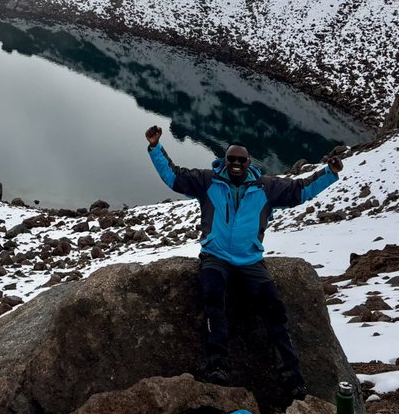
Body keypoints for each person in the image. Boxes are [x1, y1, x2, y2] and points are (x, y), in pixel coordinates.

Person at [145, 125, 343, 398]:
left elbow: (300, 190)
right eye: (232, 159)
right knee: (213, 297)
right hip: (215, 257)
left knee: (274, 308)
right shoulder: (209, 181)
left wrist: (329, 174)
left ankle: (292, 377)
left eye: (241, 160)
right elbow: (174, 177)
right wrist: (155, 148)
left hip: (250, 260)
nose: (236, 164)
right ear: (225, 161)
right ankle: (219, 366)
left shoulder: (266, 188)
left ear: (249, 163)